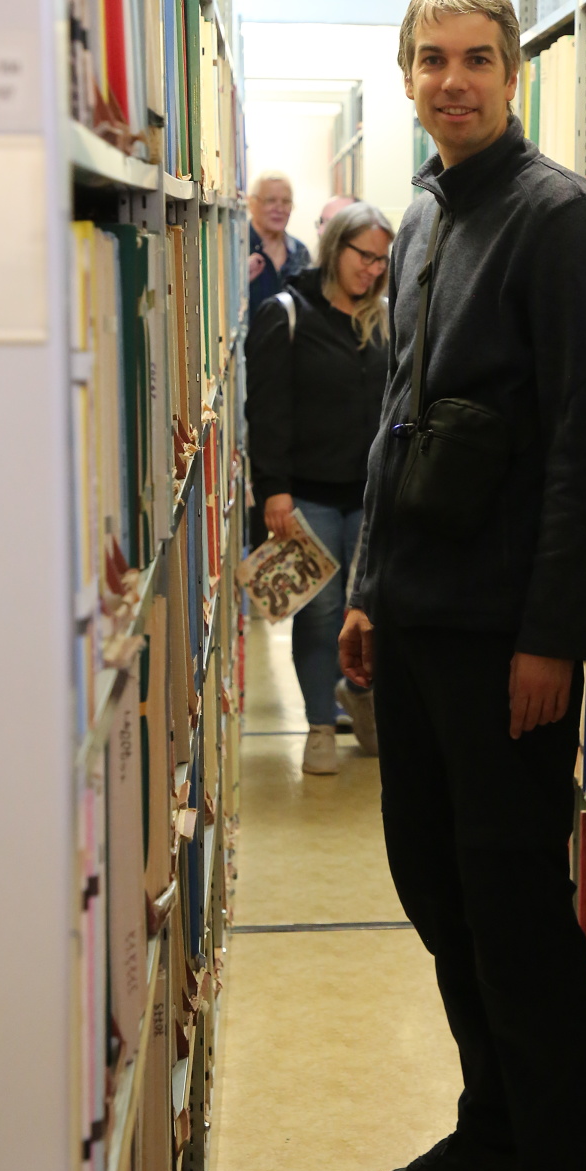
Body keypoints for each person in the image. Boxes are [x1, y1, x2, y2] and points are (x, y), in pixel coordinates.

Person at [339, 0, 586, 1171]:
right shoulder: (421, 212)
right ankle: (496, 1133)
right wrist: (365, 585)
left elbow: (576, 450)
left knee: (515, 913)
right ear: (407, 76)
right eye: (431, 59)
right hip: (413, 618)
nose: (451, 80)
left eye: (475, 59)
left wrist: (550, 637)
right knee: (435, 886)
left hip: (504, 636)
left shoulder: (559, 221)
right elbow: (398, 415)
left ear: (513, 74)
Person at [246, 201, 394, 774]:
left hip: (372, 496)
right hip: (306, 494)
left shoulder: (385, 318)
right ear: (336, 248)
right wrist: (274, 489)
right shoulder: (287, 314)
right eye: (365, 256)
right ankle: (318, 727)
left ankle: (358, 695)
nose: (373, 270)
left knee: (370, 611)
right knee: (320, 613)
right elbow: (268, 411)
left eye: (382, 261)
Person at [247, 169, 311, 318]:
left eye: (286, 202)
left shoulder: (300, 252)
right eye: (271, 201)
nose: (279, 209)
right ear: (252, 203)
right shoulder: (237, 247)